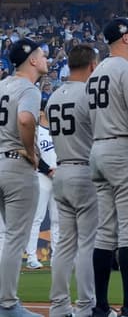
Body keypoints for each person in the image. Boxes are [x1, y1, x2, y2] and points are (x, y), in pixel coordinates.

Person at [88, 17, 128, 317]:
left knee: (104, 232)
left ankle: (100, 305)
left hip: (98, 148)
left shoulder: (95, 72)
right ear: (124, 38)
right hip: (123, 147)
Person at [47, 45, 99, 317]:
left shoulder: (54, 95)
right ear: (92, 65)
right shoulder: (90, 93)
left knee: (65, 244)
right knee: (87, 244)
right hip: (84, 170)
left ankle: (58, 306)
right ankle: (87, 306)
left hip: (62, 168)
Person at [0, 38, 47, 317]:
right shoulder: (28, 88)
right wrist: (30, 151)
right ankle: (6, 305)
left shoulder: (1, 84)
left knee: (6, 236)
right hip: (16, 165)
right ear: (31, 59)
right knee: (15, 238)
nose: (45, 58)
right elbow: (27, 120)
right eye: (41, 54)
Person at [25, 104, 58, 269]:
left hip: (59, 176)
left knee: (58, 219)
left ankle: (57, 258)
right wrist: (47, 170)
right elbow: (34, 153)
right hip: (42, 175)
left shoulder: (58, 128)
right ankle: (31, 256)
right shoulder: (36, 130)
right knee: (37, 217)